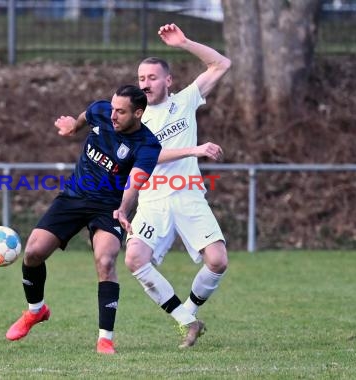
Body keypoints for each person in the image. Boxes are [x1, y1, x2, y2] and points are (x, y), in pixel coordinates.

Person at [5, 85, 161, 354]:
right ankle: (36, 311)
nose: (113, 115)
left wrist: (123, 209)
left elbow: (134, 184)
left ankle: (105, 339)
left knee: (105, 260)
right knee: (32, 252)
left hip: (108, 207)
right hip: (74, 196)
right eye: (112, 108)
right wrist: (73, 128)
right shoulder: (102, 111)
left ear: (138, 113)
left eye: (121, 112)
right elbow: (86, 116)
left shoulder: (148, 145)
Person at [123, 23, 232, 348]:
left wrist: (184, 42)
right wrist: (195, 149)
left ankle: (190, 311)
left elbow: (221, 64)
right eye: (141, 79)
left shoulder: (185, 101)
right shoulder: (134, 119)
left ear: (168, 80)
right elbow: (149, 157)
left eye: (152, 77)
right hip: (153, 201)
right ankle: (186, 322)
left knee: (218, 260)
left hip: (188, 195)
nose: (146, 83)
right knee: (134, 259)